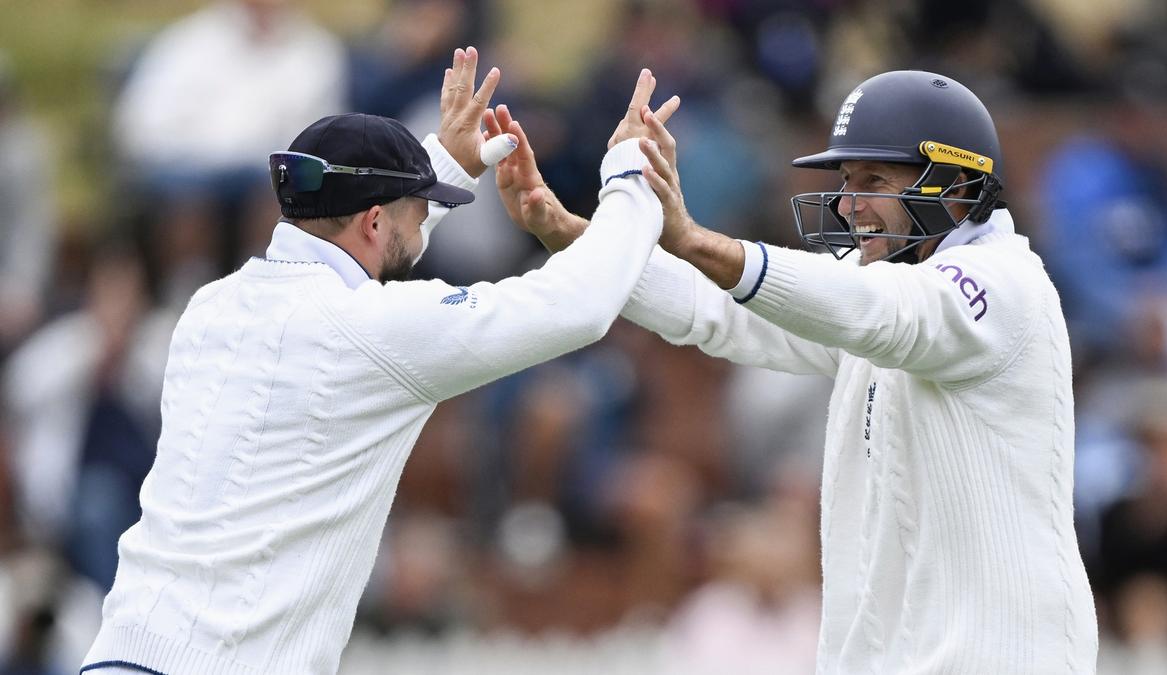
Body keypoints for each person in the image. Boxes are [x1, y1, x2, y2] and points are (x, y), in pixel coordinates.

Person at [80, 47, 676, 674]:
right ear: (371, 221)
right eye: (418, 211)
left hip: (120, 655)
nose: (423, 226)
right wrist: (628, 182)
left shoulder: (209, 309)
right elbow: (579, 306)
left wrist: (440, 162)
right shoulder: (372, 331)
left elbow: (370, 249)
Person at [488, 70, 1100, 671]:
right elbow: (717, 311)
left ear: (957, 188)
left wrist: (697, 239)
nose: (849, 202)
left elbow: (886, 314)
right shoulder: (878, 287)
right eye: (846, 179)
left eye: (874, 179)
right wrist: (565, 230)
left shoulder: (1003, 284)